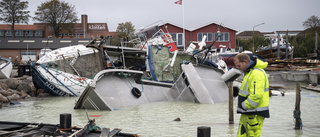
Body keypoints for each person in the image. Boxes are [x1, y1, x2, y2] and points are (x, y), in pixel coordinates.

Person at [233, 53, 270, 137]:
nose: (239, 69)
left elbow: (256, 96)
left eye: (239, 66)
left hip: (254, 114)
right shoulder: (250, 72)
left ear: (245, 62)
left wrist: (244, 105)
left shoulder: (256, 73)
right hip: (249, 113)